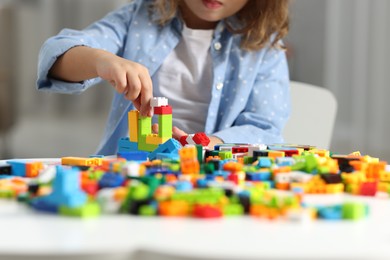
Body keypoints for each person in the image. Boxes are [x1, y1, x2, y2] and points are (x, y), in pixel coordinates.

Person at [37, 0, 291, 155]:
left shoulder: (263, 45)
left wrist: (209, 145)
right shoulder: (138, 18)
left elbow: (264, 129)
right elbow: (56, 56)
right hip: (130, 170)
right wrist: (101, 60)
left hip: (216, 176)